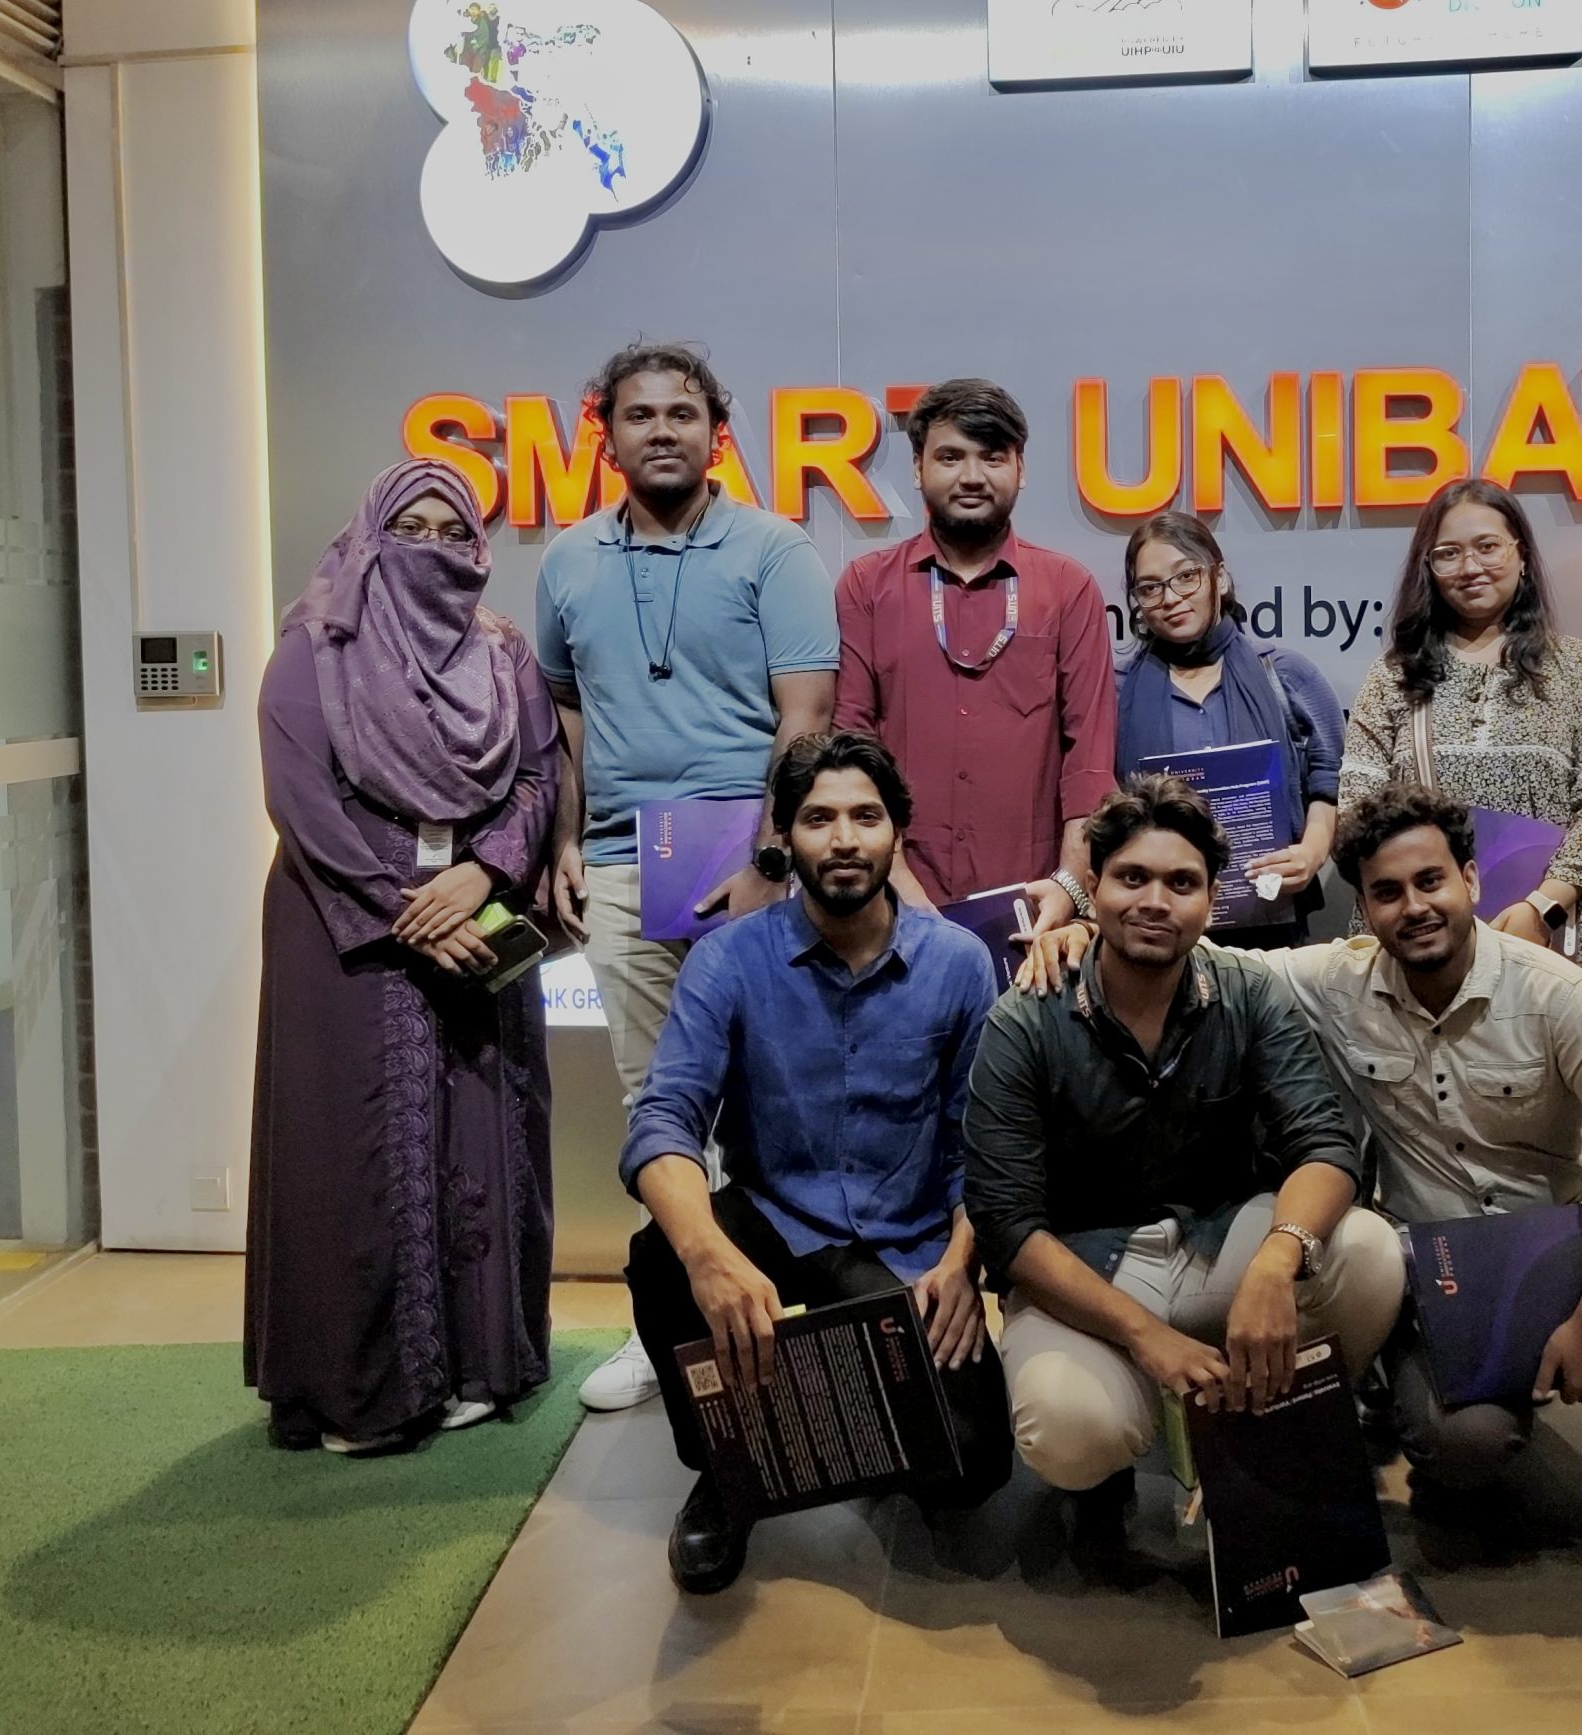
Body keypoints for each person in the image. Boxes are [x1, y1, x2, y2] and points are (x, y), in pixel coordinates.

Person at [1017, 783, 1582, 1621]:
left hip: (1570, 1239)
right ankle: (1408, 1385)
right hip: (1445, 1278)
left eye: (1431, 881)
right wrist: (1088, 933)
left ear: (1471, 879)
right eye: (1386, 892)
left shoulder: (1554, 992)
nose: (1413, 907)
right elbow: (1194, 954)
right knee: (1464, 1452)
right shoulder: (1334, 980)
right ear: (1365, 908)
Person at [622, 730, 1014, 1592]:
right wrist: (708, 1253)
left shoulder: (957, 963)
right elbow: (664, 1118)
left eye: (865, 816)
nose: (843, 838)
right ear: (785, 834)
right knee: (662, 1256)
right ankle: (728, 1467)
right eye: (818, 817)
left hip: (904, 1242)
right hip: (774, 1217)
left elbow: (979, 1141)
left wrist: (962, 1260)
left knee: (972, 1467)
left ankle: (840, 1414)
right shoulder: (728, 958)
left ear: (897, 832)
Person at [960, 775, 1406, 1520]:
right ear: (1094, 888)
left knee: (1368, 1252)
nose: (1155, 901)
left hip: (1220, 1243)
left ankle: (1273, 1433)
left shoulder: (1248, 993)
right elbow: (1005, 1223)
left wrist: (1278, 1258)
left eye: (1181, 882)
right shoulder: (1026, 1019)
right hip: (1086, 1266)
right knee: (1068, 1433)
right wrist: (1147, 1337)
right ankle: (1124, 1442)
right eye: (1132, 877)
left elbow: (1325, 1144)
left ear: (1211, 898)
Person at [537, 342, 840, 1412]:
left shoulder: (774, 548)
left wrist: (769, 857)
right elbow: (568, 713)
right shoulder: (567, 560)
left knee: (767, 1101)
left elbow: (807, 715)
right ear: (606, 433)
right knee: (654, 1102)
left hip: (744, 857)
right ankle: (669, 1322)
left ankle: (788, 1323)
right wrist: (568, 837)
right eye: (639, 414)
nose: (660, 429)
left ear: (716, 432)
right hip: (625, 862)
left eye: (681, 413)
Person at [247, 461, 558, 1454]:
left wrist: (482, 872)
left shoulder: (502, 653)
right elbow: (300, 797)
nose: (430, 547)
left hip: (473, 912)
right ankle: (361, 1390)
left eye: (450, 530)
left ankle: (480, 1366)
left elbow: (539, 775)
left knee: (484, 1128)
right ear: (370, 534)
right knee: (353, 1147)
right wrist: (405, 906)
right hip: (341, 921)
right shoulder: (315, 647)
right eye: (408, 527)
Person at [834, 378, 1117, 931]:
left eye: (992, 457)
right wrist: (896, 879)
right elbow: (851, 742)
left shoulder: (1067, 588)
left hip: (1035, 905)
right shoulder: (867, 586)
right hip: (893, 899)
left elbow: (1090, 756)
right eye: (950, 457)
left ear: (1020, 469)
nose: (971, 476)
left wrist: (1068, 886)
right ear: (918, 468)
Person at [1341, 478, 1582, 974]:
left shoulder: (1575, 667)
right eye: (1448, 553)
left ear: (1521, 555)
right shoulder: (1394, 674)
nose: (1470, 567)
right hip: (1418, 935)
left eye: (1488, 546)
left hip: (1545, 932)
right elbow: (1357, 805)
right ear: (1428, 568)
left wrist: (1544, 903)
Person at [1115, 510, 1343, 941]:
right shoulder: (1117, 691)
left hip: (1272, 924)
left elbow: (1330, 780)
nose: (1170, 597)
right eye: (1150, 587)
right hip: (1157, 926)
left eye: (1186, 576)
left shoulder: (1286, 675)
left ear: (1218, 578)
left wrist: (1312, 852)